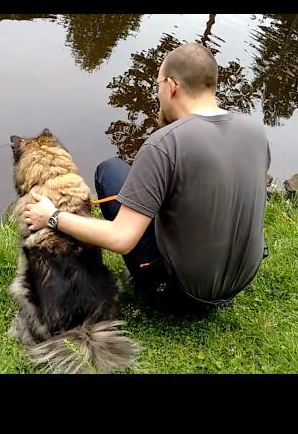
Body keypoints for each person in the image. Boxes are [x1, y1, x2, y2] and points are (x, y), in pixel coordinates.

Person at [23, 42, 270, 310]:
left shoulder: (164, 143)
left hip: (180, 294)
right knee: (121, 174)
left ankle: (154, 285)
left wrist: (52, 216)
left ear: (172, 86)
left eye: (158, 85)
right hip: (238, 283)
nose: (157, 94)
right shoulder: (254, 131)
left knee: (109, 171)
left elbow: (121, 238)